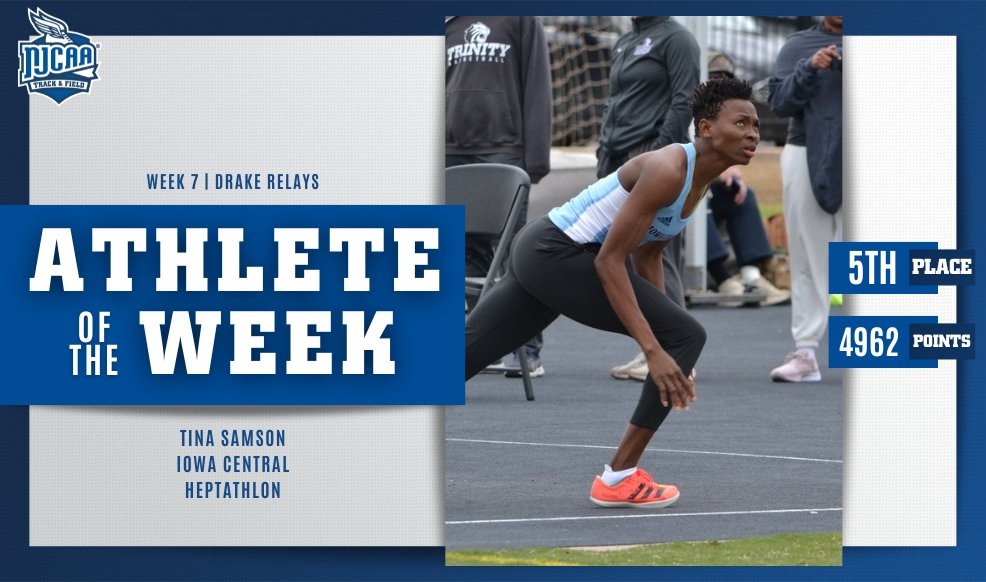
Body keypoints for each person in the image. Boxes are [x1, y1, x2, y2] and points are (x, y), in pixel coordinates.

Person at [465, 78, 760, 507]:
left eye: (755, 124)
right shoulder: (669, 169)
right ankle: (619, 477)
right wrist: (657, 348)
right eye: (741, 122)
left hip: (548, 254)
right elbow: (609, 260)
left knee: (464, 355)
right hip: (555, 251)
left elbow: (648, 257)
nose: (753, 132)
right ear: (707, 128)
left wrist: (662, 335)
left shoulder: (698, 184)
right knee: (688, 335)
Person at [445, 16, 553, 376]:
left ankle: (528, 349)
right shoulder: (448, 23)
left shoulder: (519, 18)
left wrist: (535, 158)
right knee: (467, 251)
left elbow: (537, 84)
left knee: (514, 253)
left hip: (504, 148)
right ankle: (488, 340)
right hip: (453, 149)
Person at [767, 16, 843, 383]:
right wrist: (809, 68)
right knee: (805, 253)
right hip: (804, 152)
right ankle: (806, 352)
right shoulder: (800, 45)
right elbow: (779, 102)